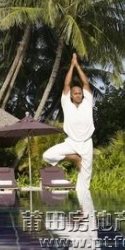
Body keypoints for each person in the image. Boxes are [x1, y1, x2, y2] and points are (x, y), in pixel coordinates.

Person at [43, 53, 95, 220]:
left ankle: (84, 216)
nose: (78, 94)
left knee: (84, 186)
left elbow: (86, 83)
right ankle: (75, 159)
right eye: (75, 93)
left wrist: (78, 66)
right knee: (47, 155)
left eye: (80, 93)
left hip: (87, 144)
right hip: (71, 143)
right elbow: (66, 84)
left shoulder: (88, 102)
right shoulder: (66, 103)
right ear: (71, 96)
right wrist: (71, 66)